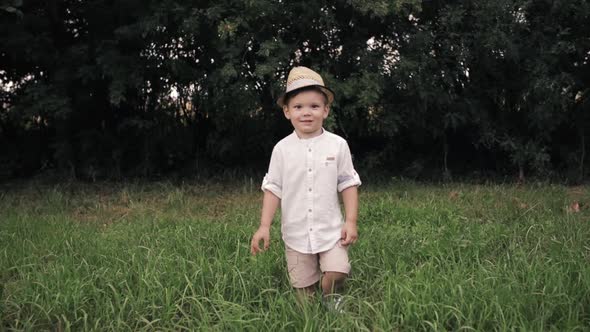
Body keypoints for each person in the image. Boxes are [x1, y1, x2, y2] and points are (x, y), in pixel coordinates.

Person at [250, 66, 362, 310]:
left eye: (314, 106)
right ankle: (311, 295)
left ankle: (330, 294)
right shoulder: (282, 149)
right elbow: (273, 188)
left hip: (330, 231)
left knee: (338, 272)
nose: (306, 113)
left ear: (325, 109)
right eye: (298, 107)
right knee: (305, 304)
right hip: (296, 233)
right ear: (287, 112)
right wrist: (264, 226)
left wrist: (350, 221)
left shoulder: (337, 145)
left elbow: (348, 183)